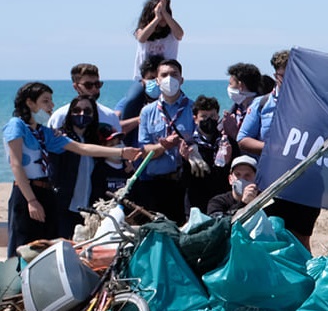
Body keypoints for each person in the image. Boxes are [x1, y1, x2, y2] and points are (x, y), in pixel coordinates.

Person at [7, 83, 139, 255]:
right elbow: (16, 164)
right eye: (45, 101)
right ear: (29, 103)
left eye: (51, 100)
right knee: (22, 244)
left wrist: (121, 152)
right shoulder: (16, 125)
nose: (51, 105)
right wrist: (31, 200)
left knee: (46, 246)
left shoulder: (45, 133)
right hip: (27, 192)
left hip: (46, 192)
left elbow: (82, 148)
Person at [237, 49, 322, 246]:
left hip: (307, 182)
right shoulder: (261, 104)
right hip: (271, 183)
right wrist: (272, 148)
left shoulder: (313, 104)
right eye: (284, 75)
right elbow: (243, 139)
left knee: (301, 238)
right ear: (276, 75)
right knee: (269, 235)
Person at [133, 59, 199, 223]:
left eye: (174, 74)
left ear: (181, 79)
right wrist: (162, 146)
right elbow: (144, 151)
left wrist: (190, 151)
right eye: (164, 75)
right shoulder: (147, 112)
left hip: (186, 184)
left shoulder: (193, 109)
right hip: (156, 185)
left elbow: (201, 143)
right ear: (157, 80)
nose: (169, 79)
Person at [51, 94, 124, 238]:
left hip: (89, 206)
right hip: (64, 203)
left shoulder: (94, 138)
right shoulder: (61, 137)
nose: (82, 114)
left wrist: (126, 162)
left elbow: (111, 151)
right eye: (76, 110)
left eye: (87, 111)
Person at [132, 0, 184, 73]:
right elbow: (141, 38)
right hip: (145, 75)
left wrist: (164, 12)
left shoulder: (172, 32)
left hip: (166, 74)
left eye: (165, 13)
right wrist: (157, 18)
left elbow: (180, 34)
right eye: (161, 13)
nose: (163, 17)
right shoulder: (141, 30)